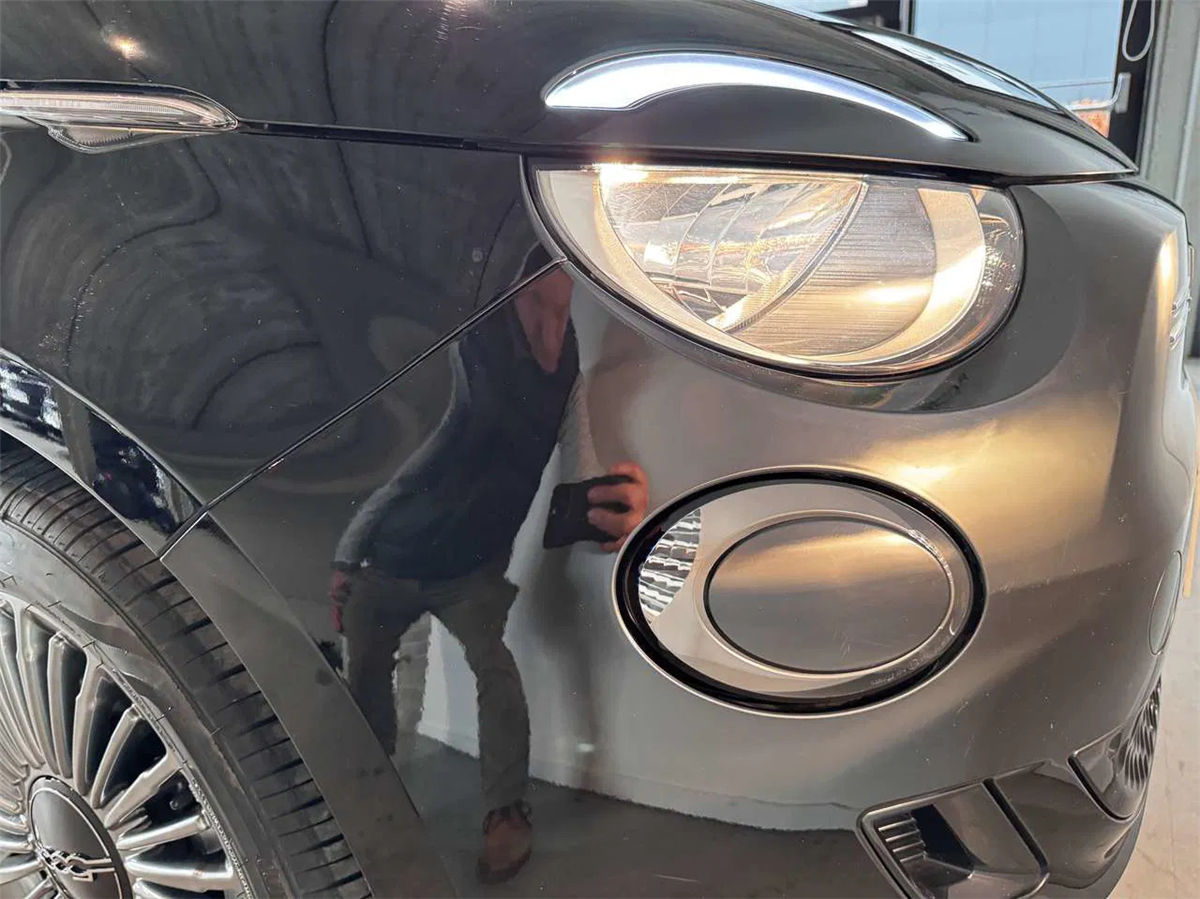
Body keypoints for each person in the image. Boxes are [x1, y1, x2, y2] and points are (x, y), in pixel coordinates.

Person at [328, 247, 648, 883]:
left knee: (495, 671)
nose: (551, 327)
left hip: (469, 571)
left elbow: (579, 466)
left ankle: (506, 812)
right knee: (365, 674)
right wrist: (345, 559)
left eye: (563, 310)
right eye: (537, 306)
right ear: (509, 297)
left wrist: (610, 507)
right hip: (392, 559)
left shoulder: (566, 369)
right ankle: (372, 795)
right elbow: (398, 477)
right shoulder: (462, 354)